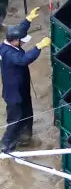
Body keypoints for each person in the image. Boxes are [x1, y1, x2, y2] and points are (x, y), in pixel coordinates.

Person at [1, 12, 49, 154]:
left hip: (22, 88)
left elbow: (19, 30)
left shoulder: (11, 42)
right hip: (13, 93)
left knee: (27, 112)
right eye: (22, 41)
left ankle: (25, 137)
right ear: (15, 41)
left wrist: (27, 20)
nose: (24, 42)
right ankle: (6, 145)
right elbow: (23, 60)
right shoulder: (8, 52)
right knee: (15, 119)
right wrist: (38, 47)